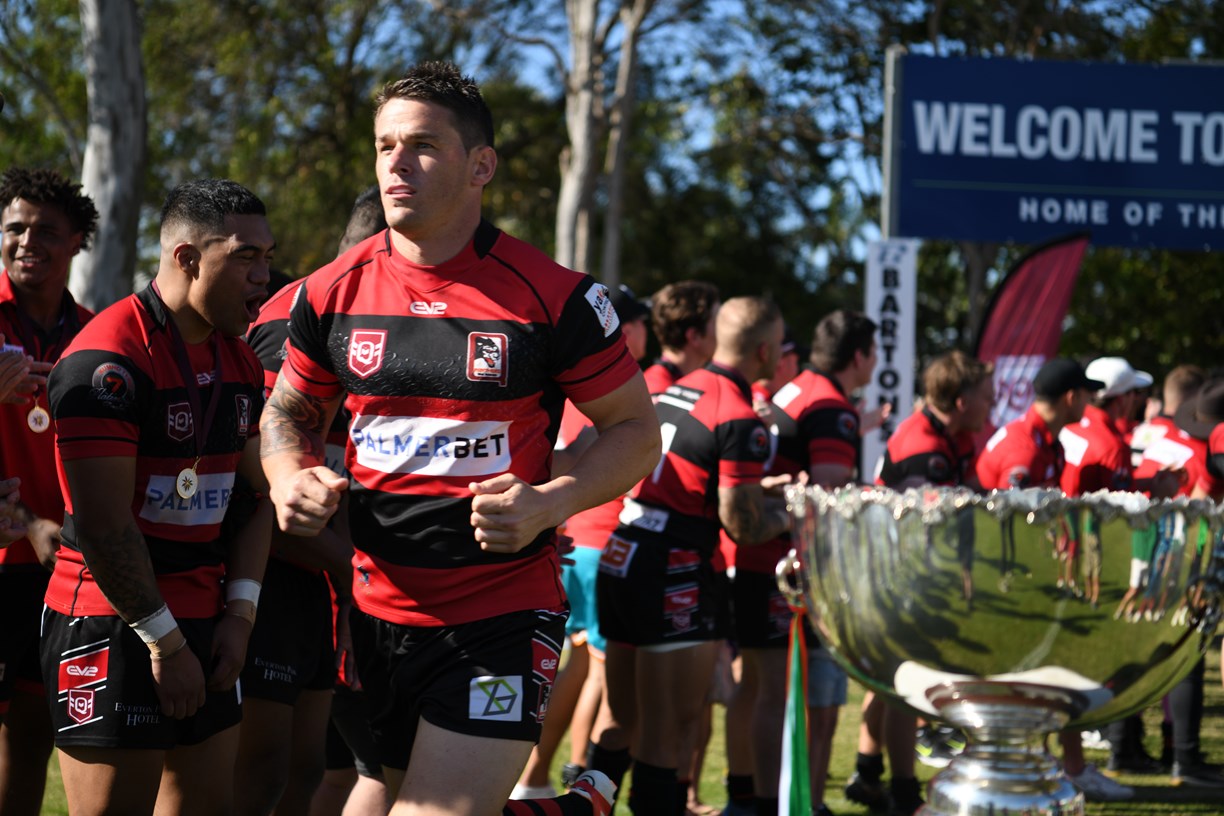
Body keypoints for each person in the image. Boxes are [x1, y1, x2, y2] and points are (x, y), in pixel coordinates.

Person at [260, 62, 659, 816]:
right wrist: (288, 474)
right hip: (373, 612)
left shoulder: (555, 296)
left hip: (498, 614)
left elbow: (637, 431)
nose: (396, 165)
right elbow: (287, 415)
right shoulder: (329, 290)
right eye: (384, 147)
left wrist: (550, 501)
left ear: (481, 166)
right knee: (373, 797)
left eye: (422, 146)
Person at [41, 179, 275, 815]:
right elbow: (104, 528)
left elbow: (259, 497)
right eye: (246, 257)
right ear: (187, 258)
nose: (264, 276)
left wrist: (241, 614)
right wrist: (166, 645)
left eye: (267, 257)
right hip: (112, 619)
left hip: (206, 614)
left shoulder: (242, 359)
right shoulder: (105, 361)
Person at [596, 295, 789, 816]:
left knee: (621, 721)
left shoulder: (673, 390)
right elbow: (742, 525)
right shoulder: (740, 413)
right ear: (766, 351)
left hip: (623, 553)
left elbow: (693, 475)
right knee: (667, 732)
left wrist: (755, 487)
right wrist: (794, 515)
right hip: (672, 568)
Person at [238, 187, 389, 816]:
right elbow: (267, 481)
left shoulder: (390, 309)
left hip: (329, 574)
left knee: (306, 771)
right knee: (260, 772)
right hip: (269, 570)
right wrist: (357, 573)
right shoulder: (296, 317)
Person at [971, 357, 1135, 802]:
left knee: (1056, 674)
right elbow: (1009, 524)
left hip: (1026, 580)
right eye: (1085, 393)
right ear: (1070, 397)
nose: (1090, 400)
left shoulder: (1045, 439)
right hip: (1008, 585)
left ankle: (1064, 765)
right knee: (1037, 678)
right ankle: (1046, 768)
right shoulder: (1025, 447)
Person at [512, 284, 652, 800]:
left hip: (567, 537)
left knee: (574, 664)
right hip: (597, 543)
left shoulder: (569, 385)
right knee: (598, 668)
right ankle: (573, 776)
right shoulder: (627, 386)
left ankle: (541, 776)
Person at [0, 167, 98, 815]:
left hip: (58, 564)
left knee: (32, 735)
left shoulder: (98, 335)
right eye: (13, 227)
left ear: (77, 243)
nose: (26, 240)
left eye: (45, 230)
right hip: (7, 548)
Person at [871, 351, 992, 781]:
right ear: (961, 401)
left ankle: (868, 773)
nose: (992, 406)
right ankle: (903, 791)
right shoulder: (924, 446)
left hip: (916, 571)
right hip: (904, 575)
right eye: (987, 398)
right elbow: (934, 528)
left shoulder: (953, 436)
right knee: (908, 685)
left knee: (894, 682)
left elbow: (976, 496)